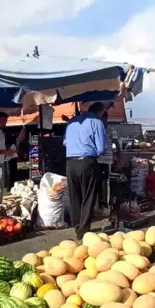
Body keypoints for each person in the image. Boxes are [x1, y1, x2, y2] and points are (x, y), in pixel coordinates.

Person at [64, 102, 107, 239]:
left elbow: (65, 142)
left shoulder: (72, 122)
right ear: (100, 112)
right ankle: (83, 230)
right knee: (88, 196)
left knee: (74, 196)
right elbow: (101, 148)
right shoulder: (97, 122)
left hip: (70, 163)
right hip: (87, 162)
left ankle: (77, 226)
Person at [96, 111, 113, 214]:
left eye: (101, 118)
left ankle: (105, 206)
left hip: (106, 161)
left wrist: (119, 159)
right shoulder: (97, 130)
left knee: (105, 183)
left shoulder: (111, 130)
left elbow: (117, 145)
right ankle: (97, 206)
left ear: (105, 118)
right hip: (96, 160)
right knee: (96, 183)